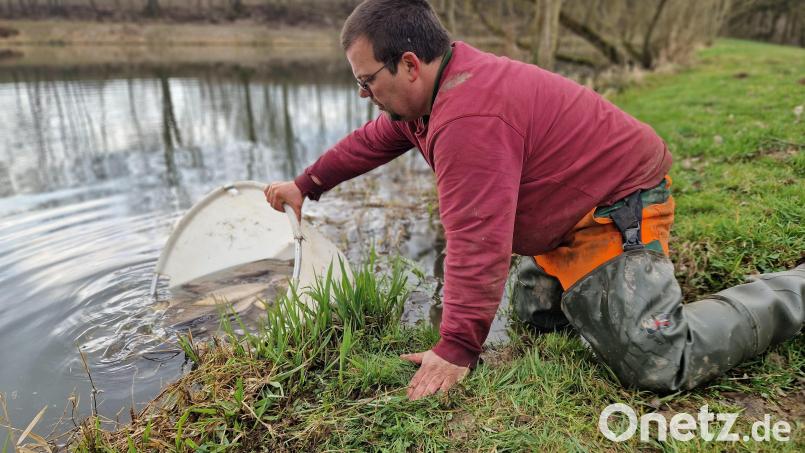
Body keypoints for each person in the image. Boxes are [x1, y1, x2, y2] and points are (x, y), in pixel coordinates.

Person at [264, 0, 804, 401]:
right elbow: (371, 141)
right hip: (568, 214)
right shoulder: (431, 93)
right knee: (538, 319)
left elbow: (477, 239)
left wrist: (456, 347)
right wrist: (306, 185)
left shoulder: (469, 117)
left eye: (366, 82)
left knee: (659, 364)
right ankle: (597, 285)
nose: (365, 97)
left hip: (618, 206)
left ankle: (789, 291)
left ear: (408, 64)